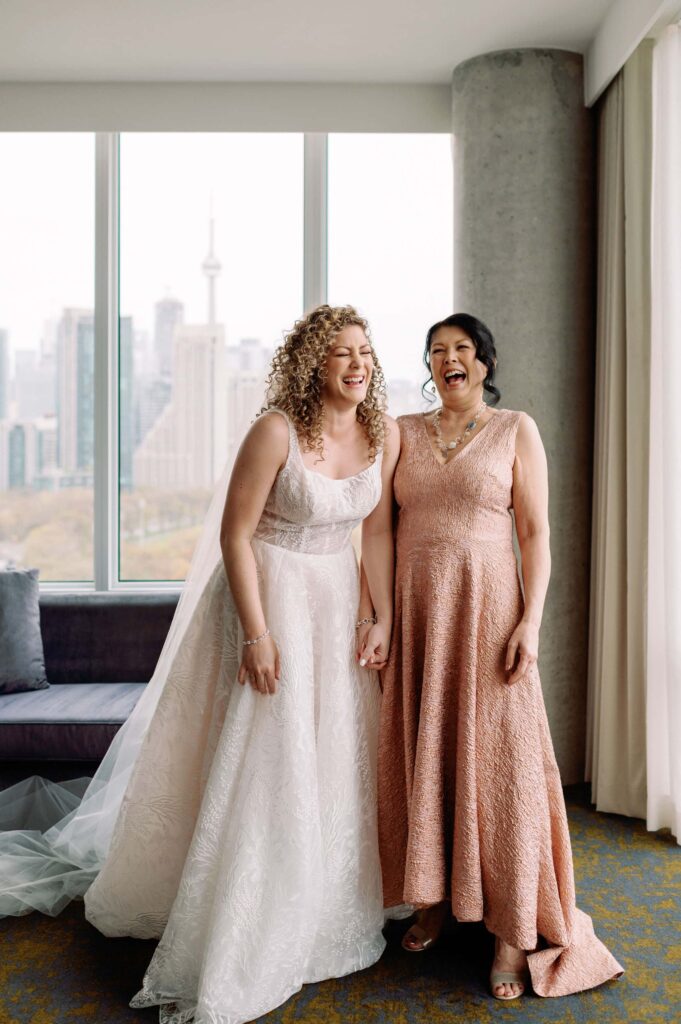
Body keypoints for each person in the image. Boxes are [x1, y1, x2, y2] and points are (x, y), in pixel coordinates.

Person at [1, 305, 399, 1024]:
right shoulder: (274, 429)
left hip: (334, 607)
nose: (357, 364)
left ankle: (321, 900)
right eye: (341, 352)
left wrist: (379, 615)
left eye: (365, 352)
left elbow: (373, 534)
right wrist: (256, 633)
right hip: (267, 595)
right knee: (265, 757)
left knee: (331, 755)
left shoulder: (382, 432)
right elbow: (234, 535)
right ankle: (245, 910)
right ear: (313, 362)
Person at [360, 313, 623, 1000]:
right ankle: (432, 899)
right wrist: (382, 616)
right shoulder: (401, 432)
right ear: (428, 366)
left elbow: (534, 535)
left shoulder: (516, 430)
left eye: (462, 349)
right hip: (419, 617)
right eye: (436, 351)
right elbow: (378, 530)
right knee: (426, 753)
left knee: (501, 766)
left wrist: (530, 623)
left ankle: (510, 929)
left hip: (490, 615)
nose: (449, 359)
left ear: (483, 362)